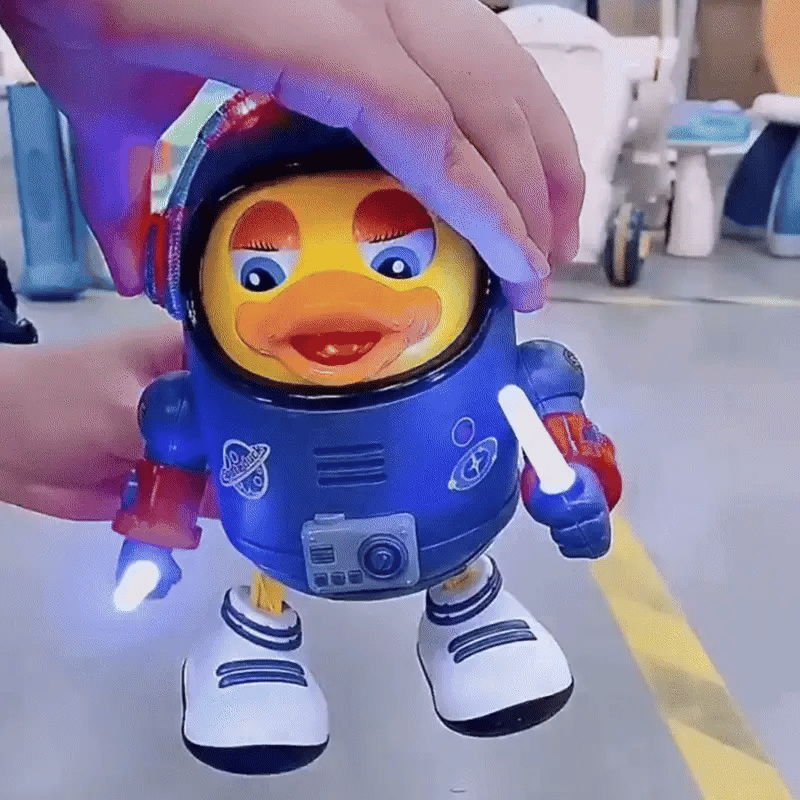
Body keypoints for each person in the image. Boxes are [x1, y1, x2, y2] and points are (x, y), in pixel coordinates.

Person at [0, 0, 584, 521]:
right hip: (276, 531)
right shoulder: (181, 404)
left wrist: (574, 476)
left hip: (442, 518)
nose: (330, 299)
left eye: (396, 264)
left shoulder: (516, 377)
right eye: (260, 275)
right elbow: (167, 470)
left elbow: (563, 432)